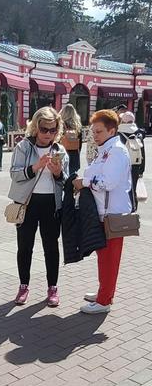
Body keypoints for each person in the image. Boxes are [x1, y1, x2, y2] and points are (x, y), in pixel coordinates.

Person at [73, 110, 133, 314]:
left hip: (112, 215)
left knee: (109, 259)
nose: (94, 135)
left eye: (98, 131)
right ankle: (103, 293)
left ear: (112, 131)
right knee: (104, 257)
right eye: (93, 131)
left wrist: (84, 182)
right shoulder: (106, 150)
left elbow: (108, 182)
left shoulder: (116, 151)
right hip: (102, 213)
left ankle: (104, 301)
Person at [8, 106, 67, 307]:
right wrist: (36, 167)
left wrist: (58, 173)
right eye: (44, 129)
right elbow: (14, 174)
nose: (48, 134)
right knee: (25, 247)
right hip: (28, 203)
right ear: (35, 127)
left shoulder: (59, 150)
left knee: (51, 247)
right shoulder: (24, 147)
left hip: (51, 204)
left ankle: (53, 288)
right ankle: (23, 286)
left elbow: (65, 181)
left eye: (53, 130)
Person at [117, 111, 145, 211]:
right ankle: (133, 208)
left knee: (122, 187)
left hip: (122, 164)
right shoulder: (138, 133)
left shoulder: (118, 132)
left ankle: (123, 208)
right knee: (133, 187)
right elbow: (142, 152)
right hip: (136, 164)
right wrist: (142, 169)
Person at [59, 104, 83, 174]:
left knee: (61, 174)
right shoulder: (77, 125)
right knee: (71, 175)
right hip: (74, 153)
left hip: (62, 152)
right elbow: (80, 143)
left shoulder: (60, 124)